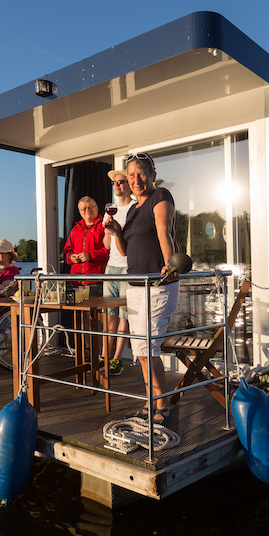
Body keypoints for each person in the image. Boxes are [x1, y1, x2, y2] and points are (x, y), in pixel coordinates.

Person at [103, 152, 178, 425]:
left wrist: (170, 263)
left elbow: (163, 232)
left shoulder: (161, 197)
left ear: (153, 175)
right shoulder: (133, 209)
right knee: (140, 351)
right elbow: (124, 251)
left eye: (141, 174)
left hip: (157, 286)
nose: (136, 180)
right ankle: (150, 403)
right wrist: (116, 232)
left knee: (149, 348)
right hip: (134, 286)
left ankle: (163, 406)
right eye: (131, 175)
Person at [101, 169, 136, 376]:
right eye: (115, 182)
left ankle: (117, 359)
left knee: (123, 315)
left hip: (127, 267)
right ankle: (104, 355)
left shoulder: (134, 208)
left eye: (121, 181)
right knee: (110, 315)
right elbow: (107, 245)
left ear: (129, 185)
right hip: (110, 267)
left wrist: (118, 233)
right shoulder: (110, 211)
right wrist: (108, 232)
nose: (117, 185)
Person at [63, 195, 109, 292]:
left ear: (97, 208)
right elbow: (66, 251)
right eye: (84, 209)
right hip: (75, 281)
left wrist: (90, 256)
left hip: (96, 281)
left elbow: (110, 252)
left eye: (90, 207)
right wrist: (71, 257)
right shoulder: (75, 229)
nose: (87, 210)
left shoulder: (104, 226)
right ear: (80, 212)